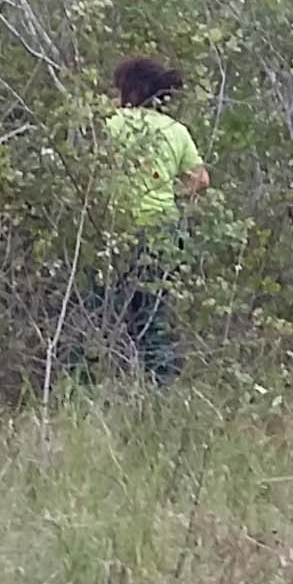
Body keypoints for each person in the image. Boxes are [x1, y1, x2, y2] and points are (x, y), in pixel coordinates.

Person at [84, 54, 208, 388]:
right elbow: (201, 179)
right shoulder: (176, 130)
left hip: (117, 232)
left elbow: (92, 173)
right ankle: (160, 391)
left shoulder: (113, 124)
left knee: (95, 313)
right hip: (163, 232)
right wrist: (171, 195)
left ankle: (82, 385)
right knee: (153, 316)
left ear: (130, 89)